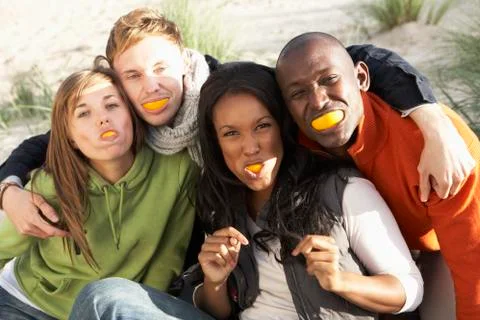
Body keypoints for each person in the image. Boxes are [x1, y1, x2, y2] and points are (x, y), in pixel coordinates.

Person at [0, 7, 474, 243]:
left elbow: (356, 62)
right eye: (134, 77)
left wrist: (431, 118)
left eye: (162, 69)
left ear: (185, 63)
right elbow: (48, 142)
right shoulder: (128, 120)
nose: (152, 87)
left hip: (348, 218)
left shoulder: (229, 91)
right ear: (118, 83)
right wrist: (9, 189)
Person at [70, 62, 423, 320]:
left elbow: (410, 289)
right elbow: (217, 311)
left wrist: (342, 281)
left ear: (282, 127)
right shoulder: (220, 200)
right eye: (231, 133)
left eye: (262, 126)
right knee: (104, 298)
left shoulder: (342, 191)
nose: (250, 147)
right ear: (216, 142)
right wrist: (215, 281)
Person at [275, 32, 480, 320]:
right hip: (363, 267)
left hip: (441, 253)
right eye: (298, 93)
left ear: (361, 79)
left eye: (329, 80)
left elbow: (473, 264)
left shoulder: (438, 148)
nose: (319, 101)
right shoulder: (292, 144)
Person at [0, 64, 197, 319]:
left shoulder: (176, 168)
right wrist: (8, 191)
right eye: (84, 114)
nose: (102, 119)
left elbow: (168, 257)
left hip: (107, 308)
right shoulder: (52, 185)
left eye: (112, 105)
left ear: (132, 114)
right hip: (27, 302)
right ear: (70, 137)